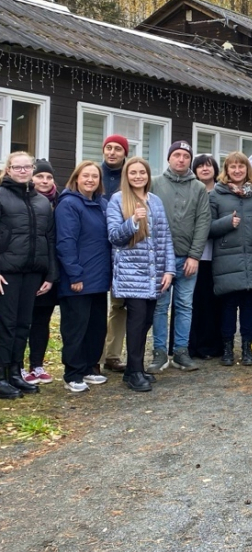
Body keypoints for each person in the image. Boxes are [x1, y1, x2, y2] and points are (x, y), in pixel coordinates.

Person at [107, 156, 175, 392]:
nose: (138, 176)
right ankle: (135, 371)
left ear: (148, 175)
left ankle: (133, 368)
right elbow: (114, 236)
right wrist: (133, 221)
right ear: (126, 176)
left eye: (142, 172)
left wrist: (169, 270)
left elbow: (165, 237)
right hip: (131, 274)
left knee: (146, 320)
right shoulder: (117, 200)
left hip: (154, 273)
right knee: (136, 322)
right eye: (133, 172)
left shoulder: (155, 201)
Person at [148, 142, 211, 375]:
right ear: (169, 158)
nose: (181, 159)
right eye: (177, 155)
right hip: (160, 259)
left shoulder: (198, 188)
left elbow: (203, 221)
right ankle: (159, 352)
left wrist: (194, 255)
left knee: (184, 305)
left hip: (186, 259)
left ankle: (181, 351)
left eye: (186, 156)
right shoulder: (154, 183)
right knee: (160, 306)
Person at [0, 152, 58, 399]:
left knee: (24, 324)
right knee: (6, 324)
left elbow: (49, 239)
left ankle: (15, 372)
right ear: (8, 169)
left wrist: (50, 275)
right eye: (17, 167)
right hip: (7, 273)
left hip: (33, 272)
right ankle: (1, 376)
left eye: (27, 167)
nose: (23, 171)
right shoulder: (1, 195)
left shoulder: (42, 202)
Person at [55, 161, 112, 393]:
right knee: (75, 329)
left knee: (95, 328)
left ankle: (89, 367)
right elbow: (65, 242)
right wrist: (75, 274)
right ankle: (72, 373)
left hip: (99, 280)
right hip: (78, 280)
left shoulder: (102, 204)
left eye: (94, 176)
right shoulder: (69, 204)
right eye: (85, 176)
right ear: (76, 178)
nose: (90, 180)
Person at [208, 152, 252, 367]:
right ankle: (228, 349)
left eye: (241, 166)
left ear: (247, 169)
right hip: (227, 258)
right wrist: (226, 223)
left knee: (249, 305)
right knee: (228, 306)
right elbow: (207, 228)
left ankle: (247, 349)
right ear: (226, 170)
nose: (237, 170)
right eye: (233, 167)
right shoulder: (216, 194)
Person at [23, 159, 59, 385]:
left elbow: (54, 241)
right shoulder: (21, 199)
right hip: (24, 270)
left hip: (48, 271)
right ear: (31, 178)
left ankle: (36, 365)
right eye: (40, 176)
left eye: (49, 177)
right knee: (21, 321)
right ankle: (16, 366)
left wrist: (51, 275)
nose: (45, 181)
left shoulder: (59, 202)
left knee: (41, 321)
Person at [188, 154, 224, 360]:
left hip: (217, 255)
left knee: (213, 303)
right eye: (200, 166)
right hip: (195, 255)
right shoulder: (191, 190)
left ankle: (211, 346)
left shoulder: (222, 192)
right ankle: (191, 346)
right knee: (193, 302)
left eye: (208, 165)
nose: (204, 169)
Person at [100, 135, 130, 374]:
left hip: (123, 248)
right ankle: (94, 356)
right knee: (95, 305)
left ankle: (112, 355)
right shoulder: (93, 174)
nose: (112, 152)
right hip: (97, 247)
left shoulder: (130, 177)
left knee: (118, 306)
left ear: (125, 153)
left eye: (117, 149)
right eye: (108, 148)